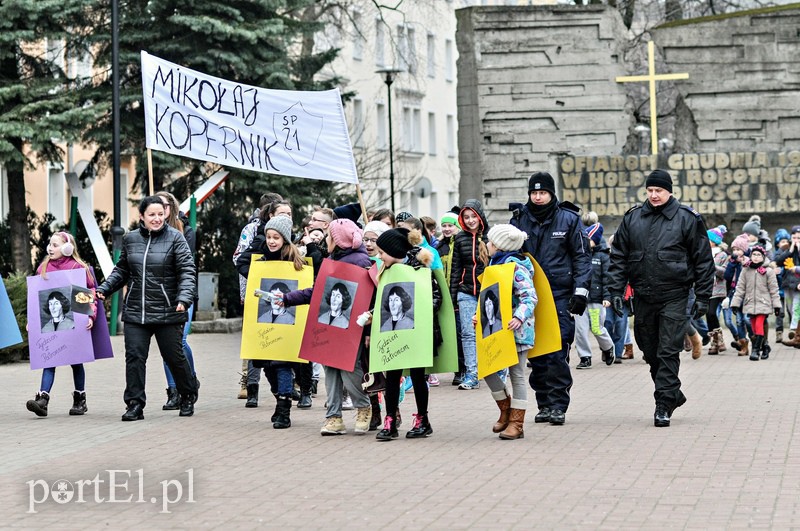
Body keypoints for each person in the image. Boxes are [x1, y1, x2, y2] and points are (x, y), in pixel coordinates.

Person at [608, 169, 715, 427]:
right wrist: (615, 291)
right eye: (650, 191)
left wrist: (703, 296)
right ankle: (673, 393)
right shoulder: (633, 218)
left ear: (669, 191)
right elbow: (619, 257)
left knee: (668, 350)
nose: (654, 195)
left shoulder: (687, 219)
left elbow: (703, 260)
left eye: (659, 191)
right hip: (644, 295)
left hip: (675, 295)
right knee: (649, 348)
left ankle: (663, 404)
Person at [96, 196, 198, 421]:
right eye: (152, 215)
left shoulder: (176, 238)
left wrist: (184, 298)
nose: (157, 219)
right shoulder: (131, 239)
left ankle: (188, 393)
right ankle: (134, 404)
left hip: (168, 310)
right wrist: (104, 288)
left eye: (160, 214)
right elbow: (121, 270)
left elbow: (187, 271)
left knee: (174, 356)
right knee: (134, 358)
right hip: (136, 310)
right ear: (141, 216)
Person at [509, 172, 591, 426]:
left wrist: (581, 291)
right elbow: (507, 253)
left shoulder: (568, 219)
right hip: (529, 297)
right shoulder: (519, 219)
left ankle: (557, 404)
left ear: (551, 193)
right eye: (534, 193)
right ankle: (544, 403)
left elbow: (581, 257)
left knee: (556, 352)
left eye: (542, 192)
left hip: (559, 294)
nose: (538, 197)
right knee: (536, 354)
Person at [280, 218, 374, 436]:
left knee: (350, 370)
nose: (327, 239)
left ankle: (363, 407)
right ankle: (333, 417)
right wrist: (287, 299)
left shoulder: (360, 262)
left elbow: (370, 298)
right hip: (330, 323)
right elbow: (318, 291)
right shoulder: (333, 258)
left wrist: (368, 330)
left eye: (330, 235)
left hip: (352, 326)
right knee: (330, 369)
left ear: (339, 240)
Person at [371, 227, 443, 440]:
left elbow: (435, 298)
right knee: (392, 375)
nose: (378, 256)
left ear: (394, 252)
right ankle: (390, 419)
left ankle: (423, 419)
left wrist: (420, 312)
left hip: (418, 332)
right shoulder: (387, 272)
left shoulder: (420, 269)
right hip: (394, 332)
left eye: (382, 253)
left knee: (418, 376)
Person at [237, 215, 306, 428]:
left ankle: (284, 408)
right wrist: (258, 245)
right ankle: (279, 397)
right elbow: (240, 262)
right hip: (264, 321)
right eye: (268, 236)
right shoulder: (261, 258)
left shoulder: (295, 260)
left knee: (282, 364)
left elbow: (309, 276)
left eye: (276, 237)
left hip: (287, 322)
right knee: (265, 365)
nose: (272, 241)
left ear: (285, 239)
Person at [476, 224, 537, 440]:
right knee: (488, 369)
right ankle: (505, 408)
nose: (487, 245)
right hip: (495, 329)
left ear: (500, 246)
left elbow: (529, 297)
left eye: (491, 242)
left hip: (517, 330)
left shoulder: (516, 267)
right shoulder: (494, 265)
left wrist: (519, 316)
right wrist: (480, 314)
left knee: (517, 375)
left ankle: (517, 423)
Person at [26, 231, 96, 417]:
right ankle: (43, 399)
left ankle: (80, 399)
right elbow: (36, 296)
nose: (50, 247)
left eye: (55, 245)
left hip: (74, 320)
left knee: (76, 360)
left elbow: (89, 291)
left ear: (67, 248)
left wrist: (90, 316)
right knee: (49, 360)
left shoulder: (76, 267)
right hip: (51, 322)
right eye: (50, 244)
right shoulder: (44, 267)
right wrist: (31, 320)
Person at [233, 192, 282, 399]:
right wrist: (251, 283)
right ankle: (249, 380)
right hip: (254, 291)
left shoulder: (284, 229)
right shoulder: (252, 229)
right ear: (268, 212)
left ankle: (282, 382)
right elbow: (240, 258)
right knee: (254, 337)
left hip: (280, 292)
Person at [155, 191, 199, 411]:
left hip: (183, 294)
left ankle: (189, 381)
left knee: (179, 342)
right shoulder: (149, 233)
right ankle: (174, 391)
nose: (159, 210)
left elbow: (184, 263)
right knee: (168, 345)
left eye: (163, 205)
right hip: (159, 296)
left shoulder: (185, 231)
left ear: (171, 208)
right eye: (154, 206)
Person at [450, 199, 490, 390]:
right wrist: (452, 297)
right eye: (466, 217)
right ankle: (472, 373)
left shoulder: (490, 237)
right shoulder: (459, 239)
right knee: (467, 333)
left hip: (487, 292)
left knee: (488, 331)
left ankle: (494, 369)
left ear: (480, 216)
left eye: (473, 216)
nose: (470, 220)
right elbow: (455, 269)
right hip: (465, 292)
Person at [574, 222, 615, 369]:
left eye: (589, 239)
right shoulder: (578, 255)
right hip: (580, 299)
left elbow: (607, 278)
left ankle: (608, 347)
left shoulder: (603, 256)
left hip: (597, 299)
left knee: (597, 328)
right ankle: (585, 357)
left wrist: (607, 297)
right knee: (580, 330)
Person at [730, 245, 781, 361]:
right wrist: (735, 303)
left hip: (764, 303)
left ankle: (755, 350)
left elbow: (774, 290)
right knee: (753, 329)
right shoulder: (745, 270)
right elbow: (740, 288)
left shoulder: (768, 271)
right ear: (750, 256)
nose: (756, 257)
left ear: (763, 257)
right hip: (750, 303)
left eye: (759, 255)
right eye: (754, 254)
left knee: (759, 325)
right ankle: (765, 347)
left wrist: (777, 305)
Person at [706, 225, 730, 355]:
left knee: (711, 313)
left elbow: (724, 272)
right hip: (705, 287)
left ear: (714, 241)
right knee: (707, 314)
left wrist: (712, 266)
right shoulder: (703, 253)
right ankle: (714, 342)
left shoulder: (722, 255)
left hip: (717, 289)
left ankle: (719, 338)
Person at [775, 226, 800, 347]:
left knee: (796, 307)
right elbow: (778, 260)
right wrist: (790, 250)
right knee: (790, 308)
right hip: (787, 284)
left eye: (798, 238)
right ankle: (795, 332)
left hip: (798, 284)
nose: (796, 240)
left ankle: (794, 331)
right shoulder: (786, 248)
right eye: (794, 237)